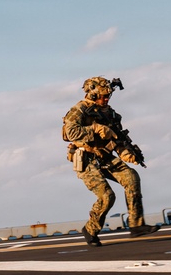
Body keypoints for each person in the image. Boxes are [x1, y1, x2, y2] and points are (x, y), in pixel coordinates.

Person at [62, 76, 157, 247]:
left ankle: (136, 225)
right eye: (103, 96)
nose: (106, 99)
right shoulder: (79, 110)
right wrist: (96, 129)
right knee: (107, 196)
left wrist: (127, 153)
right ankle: (90, 229)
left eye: (108, 96)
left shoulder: (109, 113)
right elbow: (70, 133)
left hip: (104, 156)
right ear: (92, 94)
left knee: (131, 178)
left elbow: (116, 138)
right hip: (86, 159)